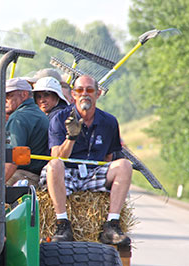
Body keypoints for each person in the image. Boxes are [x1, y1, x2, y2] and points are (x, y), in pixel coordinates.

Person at [41, 75, 132, 244]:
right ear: (73, 94)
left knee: (125, 165)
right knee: (53, 165)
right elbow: (57, 157)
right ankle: (62, 224)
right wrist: (71, 137)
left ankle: (111, 225)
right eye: (79, 90)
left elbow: (108, 157)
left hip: (93, 174)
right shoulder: (60, 119)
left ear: (97, 94)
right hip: (67, 173)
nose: (85, 94)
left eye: (89, 90)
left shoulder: (110, 122)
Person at [4, 77, 49, 187]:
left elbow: (14, 158)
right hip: (39, 174)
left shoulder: (18, 118)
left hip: (25, 175)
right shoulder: (38, 113)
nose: (4, 99)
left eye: (8, 95)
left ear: (23, 95)